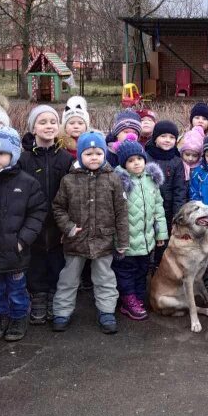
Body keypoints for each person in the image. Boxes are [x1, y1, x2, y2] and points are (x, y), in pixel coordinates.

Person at [0, 127, 48, 342]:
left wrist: (23, 239)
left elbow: (38, 212)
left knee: (16, 289)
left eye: (1, 154)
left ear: (13, 154)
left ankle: (18, 318)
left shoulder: (27, 183)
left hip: (16, 250)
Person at [51, 132, 129, 334]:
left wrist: (122, 240)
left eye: (98, 153)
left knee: (105, 279)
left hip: (103, 240)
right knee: (68, 278)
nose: (94, 157)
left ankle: (106, 312)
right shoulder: (68, 180)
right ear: (79, 155)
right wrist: (68, 227)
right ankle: (62, 312)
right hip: (76, 240)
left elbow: (121, 211)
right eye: (88, 153)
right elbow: (58, 207)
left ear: (104, 154)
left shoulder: (113, 179)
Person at [19, 106, 74, 326]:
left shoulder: (65, 159)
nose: (49, 126)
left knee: (57, 262)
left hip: (58, 221)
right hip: (34, 222)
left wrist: (69, 223)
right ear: (33, 128)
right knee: (36, 262)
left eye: (53, 121)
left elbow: (73, 193)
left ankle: (54, 298)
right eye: (43, 122)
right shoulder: (24, 160)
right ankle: (39, 298)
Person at [112, 136, 167, 320]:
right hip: (126, 241)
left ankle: (136, 297)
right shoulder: (120, 182)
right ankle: (128, 300)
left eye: (139, 159)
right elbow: (114, 213)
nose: (136, 163)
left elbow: (158, 207)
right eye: (131, 160)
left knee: (143, 270)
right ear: (123, 163)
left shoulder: (151, 180)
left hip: (146, 239)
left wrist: (161, 233)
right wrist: (117, 239)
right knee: (126, 271)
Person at [143, 121, 186, 265]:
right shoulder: (145, 157)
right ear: (155, 138)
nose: (167, 140)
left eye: (172, 137)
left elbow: (179, 190)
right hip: (147, 209)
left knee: (163, 245)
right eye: (163, 136)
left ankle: (159, 269)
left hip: (167, 211)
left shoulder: (177, 161)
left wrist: (177, 215)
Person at [59, 96, 91, 160]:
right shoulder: (59, 143)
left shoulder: (91, 141)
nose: (76, 126)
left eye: (80, 123)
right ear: (65, 127)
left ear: (86, 126)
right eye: (71, 123)